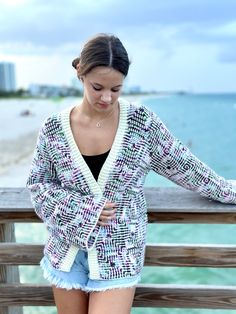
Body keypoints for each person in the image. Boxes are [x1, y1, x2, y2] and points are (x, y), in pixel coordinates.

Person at [26, 33, 236, 314]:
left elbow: (186, 167)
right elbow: (38, 185)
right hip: (66, 250)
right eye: (97, 87)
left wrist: (228, 191)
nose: (106, 97)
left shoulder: (141, 124)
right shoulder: (53, 128)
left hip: (120, 252)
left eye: (116, 89)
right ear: (80, 73)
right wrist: (85, 211)